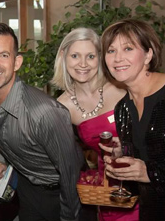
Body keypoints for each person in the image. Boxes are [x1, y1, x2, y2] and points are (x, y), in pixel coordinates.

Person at [0, 22, 84, 221]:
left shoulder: (44, 112)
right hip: (27, 192)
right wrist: (1, 160)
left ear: (17, 62)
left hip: (59, 196)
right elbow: (7, 136)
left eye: (3, 55)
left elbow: (71, 174)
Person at [50, 27, 139, 220]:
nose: (83, 64)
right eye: (75, 55)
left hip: (143, 180)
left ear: (100, 58)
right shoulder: (62, 107)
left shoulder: (122, 88)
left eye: (90, 56)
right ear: (64, 57)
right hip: (108, 189)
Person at [100, 18, 165, 220]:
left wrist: (150, 173)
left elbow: (152, 170)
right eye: (111, 51)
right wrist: (125, 152)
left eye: (128, 49)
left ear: (148, 55)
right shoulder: (123, 109)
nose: (117, 58)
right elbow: (147, 164)